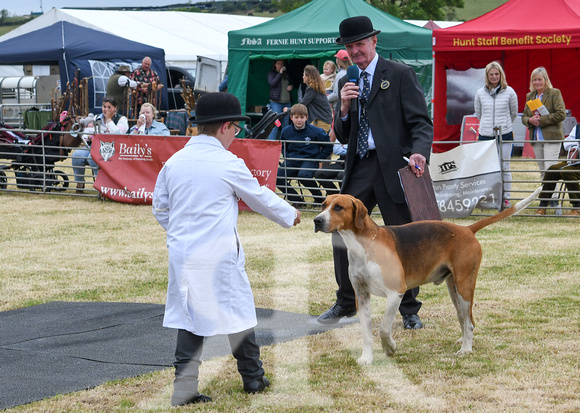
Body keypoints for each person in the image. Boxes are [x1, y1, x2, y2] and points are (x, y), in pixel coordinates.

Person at [152, 92, 301, 406]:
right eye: (236, 129)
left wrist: (180, 233)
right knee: (237, 311)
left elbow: (160, 208)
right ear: (225, 127)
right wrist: (290, 215)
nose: (237, 135)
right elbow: (258, 196)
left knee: (190, 316)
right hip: (219, 252)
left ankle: (184, 387)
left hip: (183, 252)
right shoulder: (227, 162)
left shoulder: (175, 162)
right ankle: (254, 377)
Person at [317, 16, 433, 330]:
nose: (355, 51)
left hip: (394, 167)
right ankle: (346, 302)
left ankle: (409, 309)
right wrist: (341, 109)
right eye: (350, 46)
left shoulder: (400, 74)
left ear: (374, 42)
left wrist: (419, 151)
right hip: (359, 167)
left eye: (360, 44)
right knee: (341, 233)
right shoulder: (345, 81)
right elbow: (342, 134)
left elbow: (421, 123)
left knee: (402, 238)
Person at [474, 61, 518, 209]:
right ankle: (489, 198)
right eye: (491, 74)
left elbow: (513, 113)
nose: (494, 77)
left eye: (496, 74)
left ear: (501, 75)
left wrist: (504, 125)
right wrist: (487, 126)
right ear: (487, 76)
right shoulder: (480, 93)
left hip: (504, 134)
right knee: (487, 168)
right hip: (485, 134)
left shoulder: (510, 92)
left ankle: (505, 198)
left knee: (504, 166)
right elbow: (479, 113)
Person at [276, 103, 332, 207]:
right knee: (277, 176)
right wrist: (287, 156)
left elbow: (328, 147)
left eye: (302, 117)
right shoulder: (286, 131)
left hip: (309, 161)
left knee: (304, 175)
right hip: (292, 160)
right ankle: (297, 200)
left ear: (306, 117)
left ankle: (319, 198)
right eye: (296, 117)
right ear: (291, 117)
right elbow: (283, 146)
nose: (299, 120)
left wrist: (318, 159)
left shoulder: (316, 131)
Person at [72, 97, 128, 193]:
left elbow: (119, 134)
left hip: (112, 150)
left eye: (109, 107)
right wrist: (89, 137)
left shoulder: (121, 119)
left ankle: (101, 186)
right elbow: (87, 132)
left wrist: (109, 120)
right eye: (104, 106)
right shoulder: (96, 118)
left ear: (115, 108)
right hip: (94, 146)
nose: (106, 109)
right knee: (77, 155)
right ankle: (79, 183)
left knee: (93, 157)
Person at [521, 67, 566, 178]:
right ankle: (546, 195)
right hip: (536, 139)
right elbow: (524, 117)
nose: (537, 82)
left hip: (552, 138)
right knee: (543, 172)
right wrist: (530, 120)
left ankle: (553, 196)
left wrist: (541, 120)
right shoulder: (529, 96)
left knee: (550, 171)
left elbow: (561, 114)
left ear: (545, 80)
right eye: (534, 80)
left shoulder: (554, 93)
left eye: (539, 79)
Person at [535, 126, 580, 216]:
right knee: (552, 169)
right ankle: (542, 205)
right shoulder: (578, 127)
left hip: (576, 164)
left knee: (567, 171)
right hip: (574, 161)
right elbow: (567, 142)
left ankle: (577, 207)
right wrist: (575, 147)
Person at [299, 65, 333, 133]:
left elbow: (303, 104)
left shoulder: (311, 89)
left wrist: (289, 110)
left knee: (318, 142)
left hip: (321, 121)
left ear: (308, 76)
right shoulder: (316, 88)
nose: (303, 77)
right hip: (323, 120)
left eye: (304, 75)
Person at [314, 127, 346, 197]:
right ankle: (336, 196)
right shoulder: (344, 132)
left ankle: (345, 198)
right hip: (342, 162)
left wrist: (344, 147)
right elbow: (336, 150)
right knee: (319, 174)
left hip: (356, 164)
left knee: (341, 175)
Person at [267, 60, 293, 140]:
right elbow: (272, 83)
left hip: (287, 102)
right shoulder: (271, 74)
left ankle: (285, 144)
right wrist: (280, 73)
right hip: (276, 103)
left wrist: (291, 86)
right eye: (278, 64)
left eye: (282, 64)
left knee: (286, 125)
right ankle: (270, 144)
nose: (280, 65)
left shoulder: (286, 74)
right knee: (275, 123)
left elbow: (292, 82)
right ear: (275, 64)